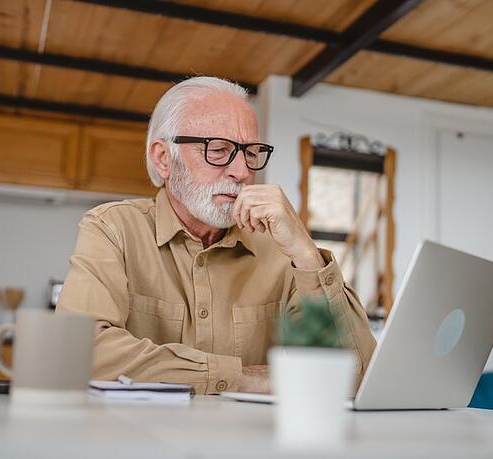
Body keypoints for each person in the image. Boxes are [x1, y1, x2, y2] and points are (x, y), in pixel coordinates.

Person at [56, 76, 375, 394]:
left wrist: (306, 253)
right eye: (219, 150)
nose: (243, 171)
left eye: (250, 152)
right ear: (164, 158)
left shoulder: (281, 250)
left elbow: (356, 376)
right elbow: (79, 352)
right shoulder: (112, 229)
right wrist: (241, 378)